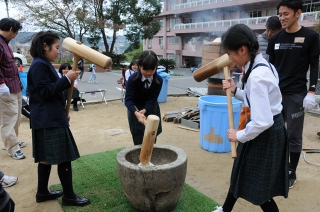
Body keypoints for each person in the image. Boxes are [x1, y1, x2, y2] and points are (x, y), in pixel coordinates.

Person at [212, 24, 288, 212]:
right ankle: (225, 209)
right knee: (241, 172)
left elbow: (263, 121)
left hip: (265, 132)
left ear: (243, 49)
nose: (229, 59)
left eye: (230, 54)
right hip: (266, 128)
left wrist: (238, 135)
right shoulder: (262, 65)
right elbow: (255, 99)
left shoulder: (258, 75)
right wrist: (235, 90)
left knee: (261, 189)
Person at [27, 31, 90, 206]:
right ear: (45, 46)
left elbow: (49, 93)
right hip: (48, 120)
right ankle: (69, 196)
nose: (58, 51)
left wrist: (63, 111)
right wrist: (66, 79)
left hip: (49, 117)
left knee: (45, 158)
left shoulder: (42, 63)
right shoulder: (40, 65)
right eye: (56, 47)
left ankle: (42, 192)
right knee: (63, 157)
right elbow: (46, 92)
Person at [266, 0, 319, 189]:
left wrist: (311, 90)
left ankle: (291, 172)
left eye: (286, 14)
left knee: (293, 135)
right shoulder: (275, 39)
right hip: (275, 94)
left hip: (296, 95)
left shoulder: (310, 36)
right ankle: (276, 167)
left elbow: (314, 64)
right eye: (280, 14)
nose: (282, 18)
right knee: (273, 131)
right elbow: (270, 68)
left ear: (298, 13)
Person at [0, 18, 26, 160]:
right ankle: (11, 148)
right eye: (15, 32)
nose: (15, 35)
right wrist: (1, 84)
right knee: (8, 119)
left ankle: (13, 141)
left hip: (15, 87)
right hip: (6, 88)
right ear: (11, 29)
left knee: (16, 117)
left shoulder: (5, 44)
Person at [124, 51, 163, 145]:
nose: (149, 73)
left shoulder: (158, 80)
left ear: (156, 67)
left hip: (151, 108)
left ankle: (150, 156)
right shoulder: (133, 79)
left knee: (152, 136)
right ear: (139, 66)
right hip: (135, 109)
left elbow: (153, 98)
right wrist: (136, 113)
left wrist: (145, 109)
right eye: (145, 69)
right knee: (138, 137)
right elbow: (128, 100)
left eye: (152, 69)